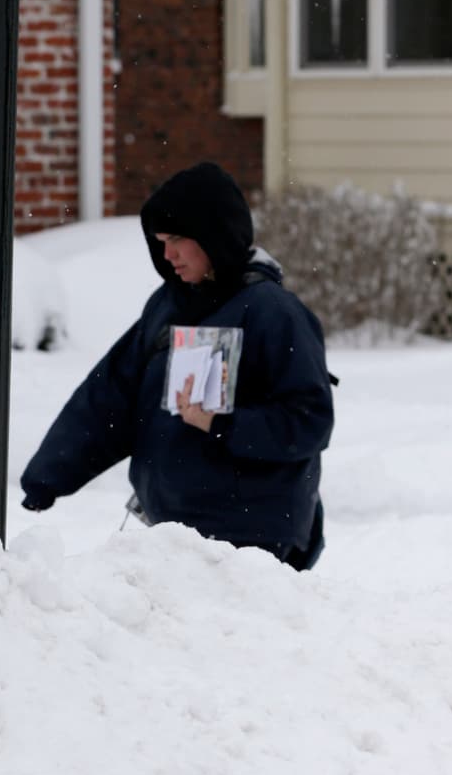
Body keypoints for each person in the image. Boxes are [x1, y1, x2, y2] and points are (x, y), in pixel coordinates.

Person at [19, 162, 334, 570]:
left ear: (215, 236)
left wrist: (223, 423)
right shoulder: (168, 308)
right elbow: (111, 397)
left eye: (178, 240)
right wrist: (51, 474)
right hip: (172, 533)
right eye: (160, 242)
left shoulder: (273, 314)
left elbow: (308, 422)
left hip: (252, 546)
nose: (167, 255)